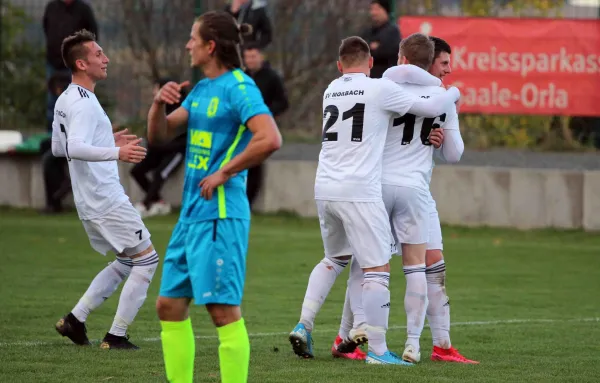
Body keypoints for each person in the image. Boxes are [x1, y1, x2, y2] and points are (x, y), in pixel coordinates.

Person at [288, 35, 461, 365]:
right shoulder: (379, 88)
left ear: (339, 66)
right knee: (377, 268)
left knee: (335, 258)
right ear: (370, 62)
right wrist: (451, 92)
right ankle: (378, 349)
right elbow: (430, 107)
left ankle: (305, 323)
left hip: (324, 186)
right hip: (360, 188)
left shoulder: (330, 89)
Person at [148, 11, 282, 383]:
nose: (187, 44)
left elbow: (270, 138)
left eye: (193, 38)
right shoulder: (203, 88)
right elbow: (160, 136)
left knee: (222, 311)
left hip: (221, 214)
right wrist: (159, 104)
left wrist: (226, 170)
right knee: (169, 306)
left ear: (210, 46)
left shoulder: (239, 87)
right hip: (192, 214)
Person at [52, 30, 159, 350]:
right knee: (147, 260)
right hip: (104, 197)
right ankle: (115, 335)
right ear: (82, 63)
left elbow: (60, 148)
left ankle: (75, 320)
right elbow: (73, 146)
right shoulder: (83, 103)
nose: (106, 58)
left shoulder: (66, 98)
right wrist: (116, 153)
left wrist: (106, 142)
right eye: (99, 54)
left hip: (89, 199)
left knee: (127, 261)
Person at [131, 78, 188, 217]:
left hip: (176, 151)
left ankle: (145, 205)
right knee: (137, 170)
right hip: (159, 150)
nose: (153, 92)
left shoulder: (183, 106)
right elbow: (154, 133)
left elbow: (181, 134)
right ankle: (159, 202)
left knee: (160, 173)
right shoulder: (159, 106)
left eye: (156, 88)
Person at [243, 42, 289, 208]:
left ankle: (249, 202)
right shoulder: (242, 77)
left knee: (255, 164)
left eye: (253, 56)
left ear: (261, 57)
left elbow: (283, 102)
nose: (250, 60)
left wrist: (265, 113)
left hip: (261, 127)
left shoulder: (271, 77)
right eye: (247, 57)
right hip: (243, 126)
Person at [43, 0, 98, 132]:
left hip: (75, 67)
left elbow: (92, 36)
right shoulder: (51, 7)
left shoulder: (84, 10)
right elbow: (46, 27)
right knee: (53, 103)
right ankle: (53, 138)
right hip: (53, 64)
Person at [360, 0, 401, 79]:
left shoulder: (392, 31)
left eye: (377, 9)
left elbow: (388, 52)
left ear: (386, 10)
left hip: (386, 78)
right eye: (372, 9)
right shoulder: (367, 31)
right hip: (368, 79)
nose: (373, 13)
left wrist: (372, 49)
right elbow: (360, 52)